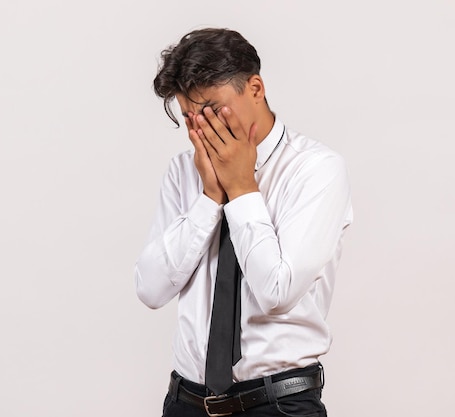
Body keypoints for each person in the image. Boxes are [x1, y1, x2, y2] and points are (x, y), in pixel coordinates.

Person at [135, 27, 353, 417]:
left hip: (278, 404)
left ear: (255, 88)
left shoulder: (315, 170)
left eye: (211, 109)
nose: (201, 126)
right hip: (186, 402)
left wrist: (241, 188)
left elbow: (277, 291)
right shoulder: (184, 171)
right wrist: (208, 199)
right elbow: (150, 289)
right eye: (188, 116)